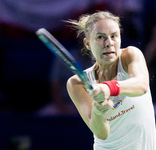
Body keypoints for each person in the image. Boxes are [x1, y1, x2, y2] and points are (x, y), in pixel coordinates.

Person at [66, 11, 156, 149]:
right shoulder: (77, 83)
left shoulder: (130, 55)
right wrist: (98, 111)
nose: (109, 43)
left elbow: (141, 85)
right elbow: (101, 133)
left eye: (114, 36)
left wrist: (109, 88)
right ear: (87, 43)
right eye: (100, 37)